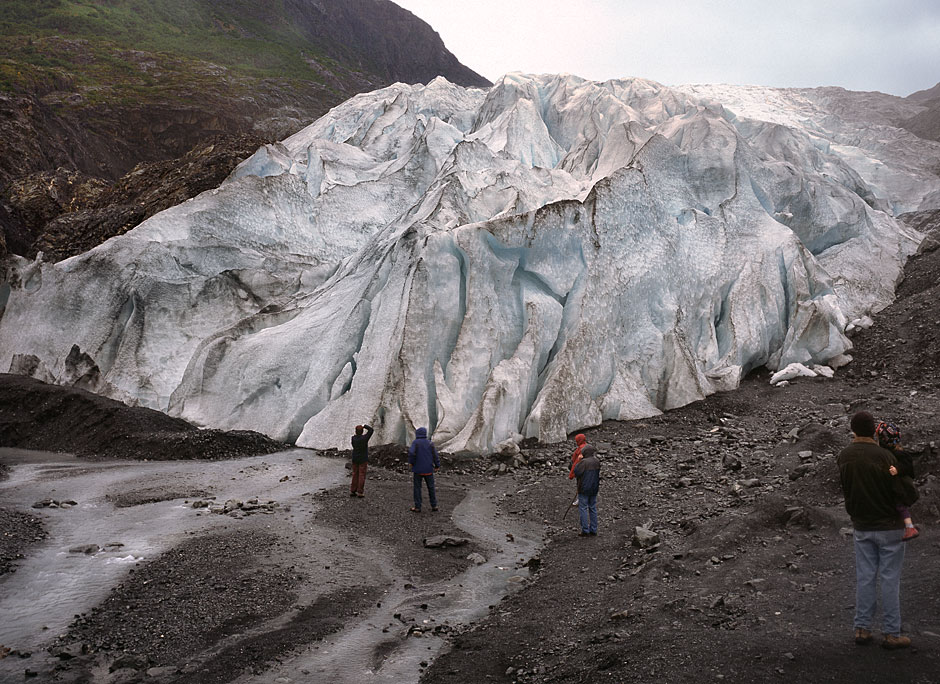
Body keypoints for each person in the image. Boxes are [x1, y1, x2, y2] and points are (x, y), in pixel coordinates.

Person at [837, 410, 915, 649]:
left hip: (862, 525)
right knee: (890, 579)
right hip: (889, 525)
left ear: (853, 430)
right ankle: (892, 633)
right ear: (874, 431)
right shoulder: (886, 457)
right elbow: (908, 493)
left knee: (865, 577)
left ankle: (862, 629)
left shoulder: (844, 456)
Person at [876, 421, 919, 541]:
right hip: (896, 489)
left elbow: (908, 466)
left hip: (899, 489)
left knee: (900, 507)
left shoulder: (900, 455)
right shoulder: (895, 453)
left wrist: (898, 469)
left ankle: (910, 527)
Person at [569, 439, 600, 536]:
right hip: (594, 488)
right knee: (593, 508)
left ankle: (585, 530)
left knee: (583, 508)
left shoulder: (584, 462)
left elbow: (577, 472)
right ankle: (594, 529)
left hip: (584, 488)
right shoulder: (596, 461)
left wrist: (578, 460)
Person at [408, 426, 440, 512]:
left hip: (418, 470)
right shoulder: (430, 443)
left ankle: (417, 507)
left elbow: (411, 452)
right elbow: (435, 455)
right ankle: (434, 505)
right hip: (428, 470)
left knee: (417, 488)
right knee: (431, 487)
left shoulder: (416, 443)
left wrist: (411, 462)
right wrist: (437, 465)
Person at [350, 424, 373, 498]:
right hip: (363, 459)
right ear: (362, 431)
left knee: (355, 474)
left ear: (356, 431)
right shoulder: (364, 438)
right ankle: (360, 492)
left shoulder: (353, 438)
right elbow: (371, 430)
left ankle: (353, 490)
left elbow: (353, 445)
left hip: (355, 458)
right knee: (361, 475)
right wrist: (365, 426)